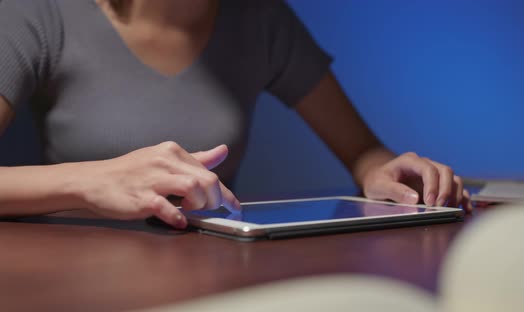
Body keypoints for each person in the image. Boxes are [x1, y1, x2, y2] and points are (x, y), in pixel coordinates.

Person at [0, 0, 472, 229]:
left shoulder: (260, 19)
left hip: (210, 275)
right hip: (72, 278)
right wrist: (92, 181)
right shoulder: (40, 12)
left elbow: (363, 151)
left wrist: (379, 171)